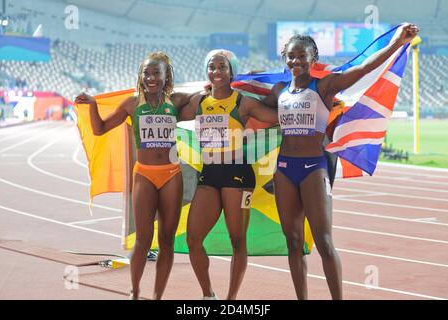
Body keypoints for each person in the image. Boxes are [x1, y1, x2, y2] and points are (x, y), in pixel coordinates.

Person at [260, 24, 419, 299]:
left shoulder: (325, 85)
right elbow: (248, 104)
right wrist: (218, 88)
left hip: (313, 168)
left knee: (323, 241)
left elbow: (364, 70)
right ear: (284, 59)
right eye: (291, 56)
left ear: (313, 59)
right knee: (294, 242)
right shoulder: (278, 92)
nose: (295, 61)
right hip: (284, 169)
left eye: (301, 56)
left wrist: (396, 43)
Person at [75, 52, 195, 300]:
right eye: (146, 73)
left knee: (167, 240)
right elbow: (99, 130)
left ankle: (158, 294)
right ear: (140, 77)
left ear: (166, 76)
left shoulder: (177, 102)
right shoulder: (132, 104)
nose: (151, 77)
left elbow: (207, 101)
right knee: (142, 240)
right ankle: (135, 291)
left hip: (171, 174)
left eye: (156, 73)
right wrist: (93, 105)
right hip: (144, 174)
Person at [179, 49, 277, 300]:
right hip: (209, 174)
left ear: (231, 71)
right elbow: (169, 110)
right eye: (212, 67)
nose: (216, 71)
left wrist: (308, 104)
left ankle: (231, 300)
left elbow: (277, 117)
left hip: (238, 175)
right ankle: (208, 294)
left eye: (222, 67)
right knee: (193, 238)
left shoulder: (243, 102)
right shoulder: (199, 102)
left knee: (237, 239)